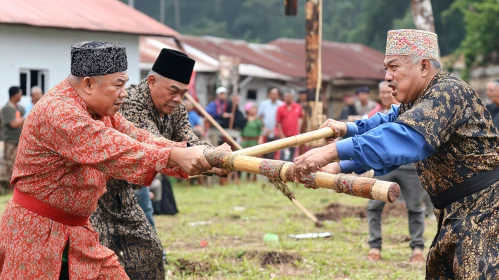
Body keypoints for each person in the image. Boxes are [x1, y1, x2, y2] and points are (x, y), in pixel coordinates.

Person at [0, 41, 215, 279]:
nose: (125, 93)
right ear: (88, 84)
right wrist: (175, 156)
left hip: (79, 232)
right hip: (37, 234)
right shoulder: (58, 111)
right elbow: (114, 147)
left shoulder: (100, 111)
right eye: (119, 85)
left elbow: (137, 137)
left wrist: (208, 155)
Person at [294, 29, 499, 279]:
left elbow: (400, 137)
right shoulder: (414, 102)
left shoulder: (448, 93)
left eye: (394, 67)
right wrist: (340, 157)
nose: (387, 77)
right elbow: (385, 123)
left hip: (486, 210)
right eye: (385, 69)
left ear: (424, 66)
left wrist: (330, 151)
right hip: (455, 211)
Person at [90, 48, 224, 280]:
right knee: (100, 258)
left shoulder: (176, 108)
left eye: (183, 93)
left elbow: (188, 139)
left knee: (149, 252)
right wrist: (207, 161)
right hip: (97, 197)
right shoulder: (130, 102)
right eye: (173, 91)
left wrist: (216, 157)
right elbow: (157, 145)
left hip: (131, 193)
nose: (177, 100)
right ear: (151, 81)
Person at [364, 81, 425, 262]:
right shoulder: (373, 116)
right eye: (381, 93)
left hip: (409, 167)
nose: (384, 95)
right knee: (374, 206)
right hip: (383, 166)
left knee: (415, 206)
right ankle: (374, 247)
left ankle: (417, 249)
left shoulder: (410, 111)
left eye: (387, 92)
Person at [1, 86, 25, 188]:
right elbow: (13, 124)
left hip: (19, 141)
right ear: (15, 95)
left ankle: (16, 186)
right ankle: (10, 187)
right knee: (10, 164)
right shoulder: (7, 108)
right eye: (20, 93)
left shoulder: (20, 108)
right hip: (10, 141)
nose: (21, 95)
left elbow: (18, 122)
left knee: (18, 164)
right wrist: (25, 119)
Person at [277, 90, 302, 162]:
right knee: (283, 156)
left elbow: (300, 120)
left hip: (294, 136)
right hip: (284, 136)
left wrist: (298, 133)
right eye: (286, 97)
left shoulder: (298, 107)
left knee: (292, 156)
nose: (288, 98)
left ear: (293, 97)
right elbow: (279, 122)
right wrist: (281, 135)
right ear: (284, 98)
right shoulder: (280, 108)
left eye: (289, 97)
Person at [258, 88, 283, 159]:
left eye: (275, 94)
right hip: (264, 130)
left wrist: (274, 129)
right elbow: (260, 116)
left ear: (278, 95)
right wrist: (265, 128)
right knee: (263, 150)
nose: (274, 95)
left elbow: (281, 120)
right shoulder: (264, 103)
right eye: (272, 94)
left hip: (276, 131)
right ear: (269, 94)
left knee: (274, 150)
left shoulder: (281, 104)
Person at [241, 102, 263, 182]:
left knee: (254, 160)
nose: (253, 110)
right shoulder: (245, 119)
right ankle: (245, 178)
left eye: (254, 108)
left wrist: (260, 140)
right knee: (244, 159)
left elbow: (260, 131)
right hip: (246, 141)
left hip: (254, 142)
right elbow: (242, 130)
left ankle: (254, 178)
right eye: (251, 108)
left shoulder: (257, 121)